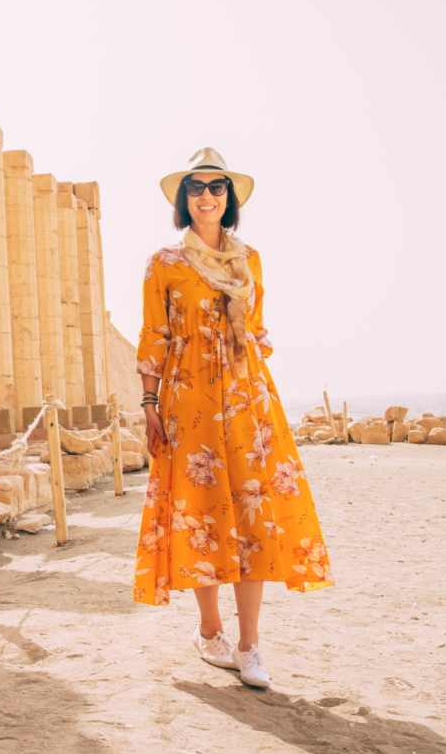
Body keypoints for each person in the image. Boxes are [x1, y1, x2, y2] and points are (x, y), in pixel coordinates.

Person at [133, 148, 332, 689]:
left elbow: (257, 329)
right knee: (200, 516)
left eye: (216, 188)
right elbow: (155, 337)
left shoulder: (251, 259)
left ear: (229, 199)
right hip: (189, 396)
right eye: (196, 188)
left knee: (253, 515)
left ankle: (250, 645)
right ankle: (210, 631)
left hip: (246, 397)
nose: (206, 196)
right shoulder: (165, 263)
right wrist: (149, 406)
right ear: (184, 201)